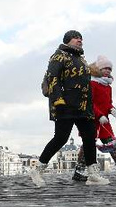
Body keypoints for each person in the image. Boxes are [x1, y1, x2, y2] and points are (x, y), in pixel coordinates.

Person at [32, 31, 109, 185]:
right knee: (61, 138)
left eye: (81, 38)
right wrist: (58, 100)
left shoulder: (80, 59)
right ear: (68, 41)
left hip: (83, 107)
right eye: (76, 38)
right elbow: (53, 78)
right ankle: (38, 170)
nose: (80, 40)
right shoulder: (59, 56)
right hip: (65, 105)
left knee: (89, 137)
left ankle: (92, 174)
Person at [73, 55, 116, 182]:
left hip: (104, 121)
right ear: (98, 69)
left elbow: (108, 102)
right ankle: (79, 170)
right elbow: (89, 102)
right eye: (105, 68)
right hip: (92, 119)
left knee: (111, 143)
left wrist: (111, 108)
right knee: (88, 145)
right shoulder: (92, 83)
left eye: (109, 69)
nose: (108, 71)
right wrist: (99, 115)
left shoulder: (108, 86)